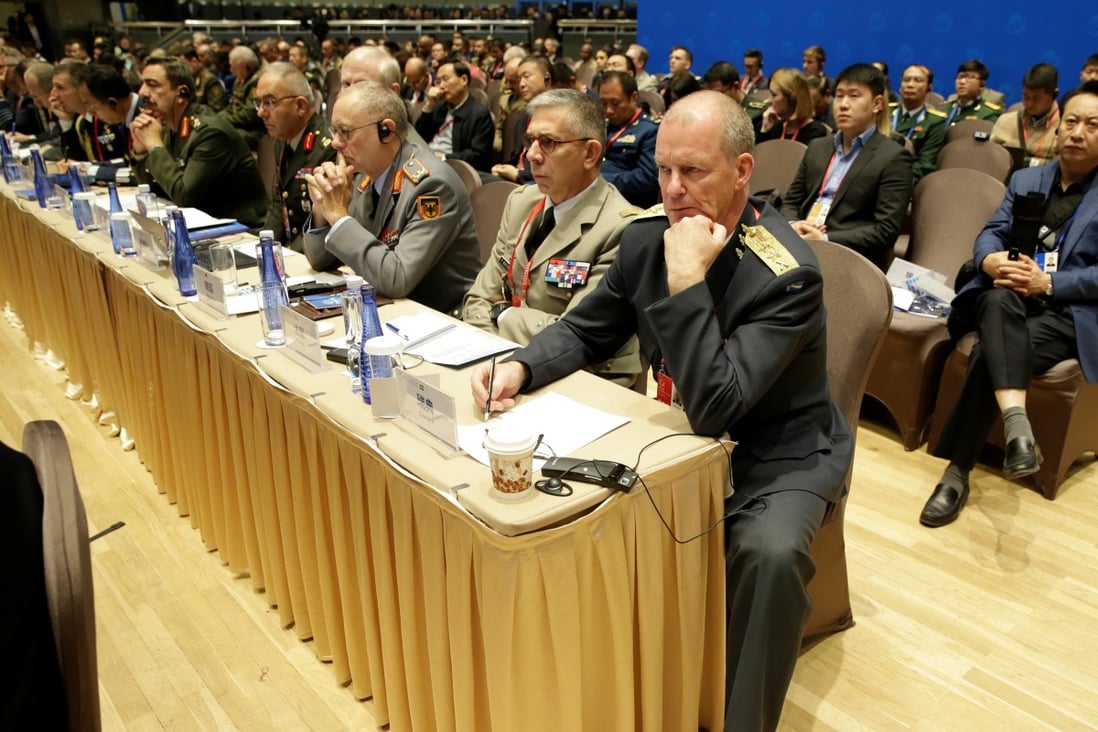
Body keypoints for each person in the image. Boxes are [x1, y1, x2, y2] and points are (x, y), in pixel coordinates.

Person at [470, 90, 852, 732]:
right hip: (677, 437)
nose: (673, 189)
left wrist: (686, 282)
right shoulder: (649, 239)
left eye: (694, 171)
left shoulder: (787, 274)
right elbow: (586, 330)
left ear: (742, 171)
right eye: (666, 169)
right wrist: (522, 365)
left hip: (777, 451)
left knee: (768, 555)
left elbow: (717, 406)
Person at [920, 80, 1098, 528]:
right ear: (1058, 128)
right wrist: (990, 257)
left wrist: (1049, 283)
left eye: (1093, 125)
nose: (1078, 132)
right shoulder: (1027, 178)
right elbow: (991, 231)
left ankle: (955, 471)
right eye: (1072, 122)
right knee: (997, 299)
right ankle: (1016, 424)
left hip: (1064, 312)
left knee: (990, 350)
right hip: (1007, 295)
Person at [463, 89, 642, 382]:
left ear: (590, 153)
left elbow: (574, 336)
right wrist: (495, 357)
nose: (531, 155)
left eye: (548, 143)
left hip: (584, 379)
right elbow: (477, 299)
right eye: (529, 140)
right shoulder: (521, 202)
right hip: (501, 358)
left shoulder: (620, 228)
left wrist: (502, 314)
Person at [302, 81, 480, 314]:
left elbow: (397, 279)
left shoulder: (431, 186)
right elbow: (320, 260)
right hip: (388, 308)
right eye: (333, 131)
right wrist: (322, 206)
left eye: (345, 132)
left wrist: (338, 216)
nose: (335, 143)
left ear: (385, 131)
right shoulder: (364, 175)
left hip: (439, 318)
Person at [781, 63, 914, 271]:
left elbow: (885, 231)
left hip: (849, 258)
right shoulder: (818, 146)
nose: (843, 104)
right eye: (839, 95)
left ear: (877, 104)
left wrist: (825, 238)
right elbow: (791, 201)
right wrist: (793, 225)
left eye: (854, 96)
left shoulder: (894, 158)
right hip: (800, 245)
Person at [130, 56, 267, 226]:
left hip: (241, 231)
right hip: (203, 227)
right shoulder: (168, 128)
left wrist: (154, 146)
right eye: (142, 84)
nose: (142, 92)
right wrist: (141, 151)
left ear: (181, 93)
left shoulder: (210, 133)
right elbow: (154, 191)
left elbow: (184, 196)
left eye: (152, 84)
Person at [256, 62, 336, 252]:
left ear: (300, 106)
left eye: (269, 102)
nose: (260, 112)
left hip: (317, 254)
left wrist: (289, 255)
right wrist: (262, 250)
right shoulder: (283, 140)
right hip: (291, 250)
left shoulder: (327, 147)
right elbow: (279, 203)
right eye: (258, 103)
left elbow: (325, 222)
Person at [414, 60, 495, 171]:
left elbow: (478, 155)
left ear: (464, 80)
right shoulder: (439, 106)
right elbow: (418, 137)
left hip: (452, 168)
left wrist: (444, 157)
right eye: (438, 81)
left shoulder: (480, 114)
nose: (441, 86)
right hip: (426, 160)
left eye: (446, 79)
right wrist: (429, 106)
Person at [598, 70, 659, 208]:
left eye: (615, 103)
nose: (609, 110)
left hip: (625, 204)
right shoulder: (604, 126)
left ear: (633, 97)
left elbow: (647, 178)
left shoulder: (649, 131)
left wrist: (601, 179)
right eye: (603, 103)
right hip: (597, 197)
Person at [77, 61, 141, 182]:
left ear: (113, 103)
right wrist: (93, 167)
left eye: (92, 107)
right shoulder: (126, 117)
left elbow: (145, 175)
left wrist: (98, 172)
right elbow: (129, 161)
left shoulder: (146, 116)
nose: (90, 113)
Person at [990, 63, 1060, 167]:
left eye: (1036, 98)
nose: (1029, 103)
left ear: (1053, 95)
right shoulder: (1006, 121)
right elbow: (991, 156)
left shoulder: (1065, 124)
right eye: (1025, 96)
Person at [889, 64, 948, 183]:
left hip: (904, 180)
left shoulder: (935, 121)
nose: (910, 85)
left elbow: (924, 165)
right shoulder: (884, 113)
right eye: (906, 80)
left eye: (918, 80)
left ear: (929, 87)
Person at [756, 67, 829, 144]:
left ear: (792, 99)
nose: (769, 100)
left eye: (774, 95)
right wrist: (764, 130)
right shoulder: (775, 127)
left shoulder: (815, 132)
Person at [219, 45, 264, 149]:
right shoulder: (240, 79)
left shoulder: (257, 82)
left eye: (234, 67)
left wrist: (223, 119)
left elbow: (250, 115)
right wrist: (218, 117)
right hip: (240, 125)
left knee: (224, 135)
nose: (231, 70)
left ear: (247, 66)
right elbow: (232, 106)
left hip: (255, 131)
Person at [703, 61, 770, 128]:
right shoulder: (712, 110)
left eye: (719, 93)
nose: (714, 99)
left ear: (736, 86)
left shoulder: (756, 113)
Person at [939, 59, 1002, 126]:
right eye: (960, 77)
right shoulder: (943, 108)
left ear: (982, 84)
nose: (962, 82)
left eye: (969, 77)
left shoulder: (990, 113)